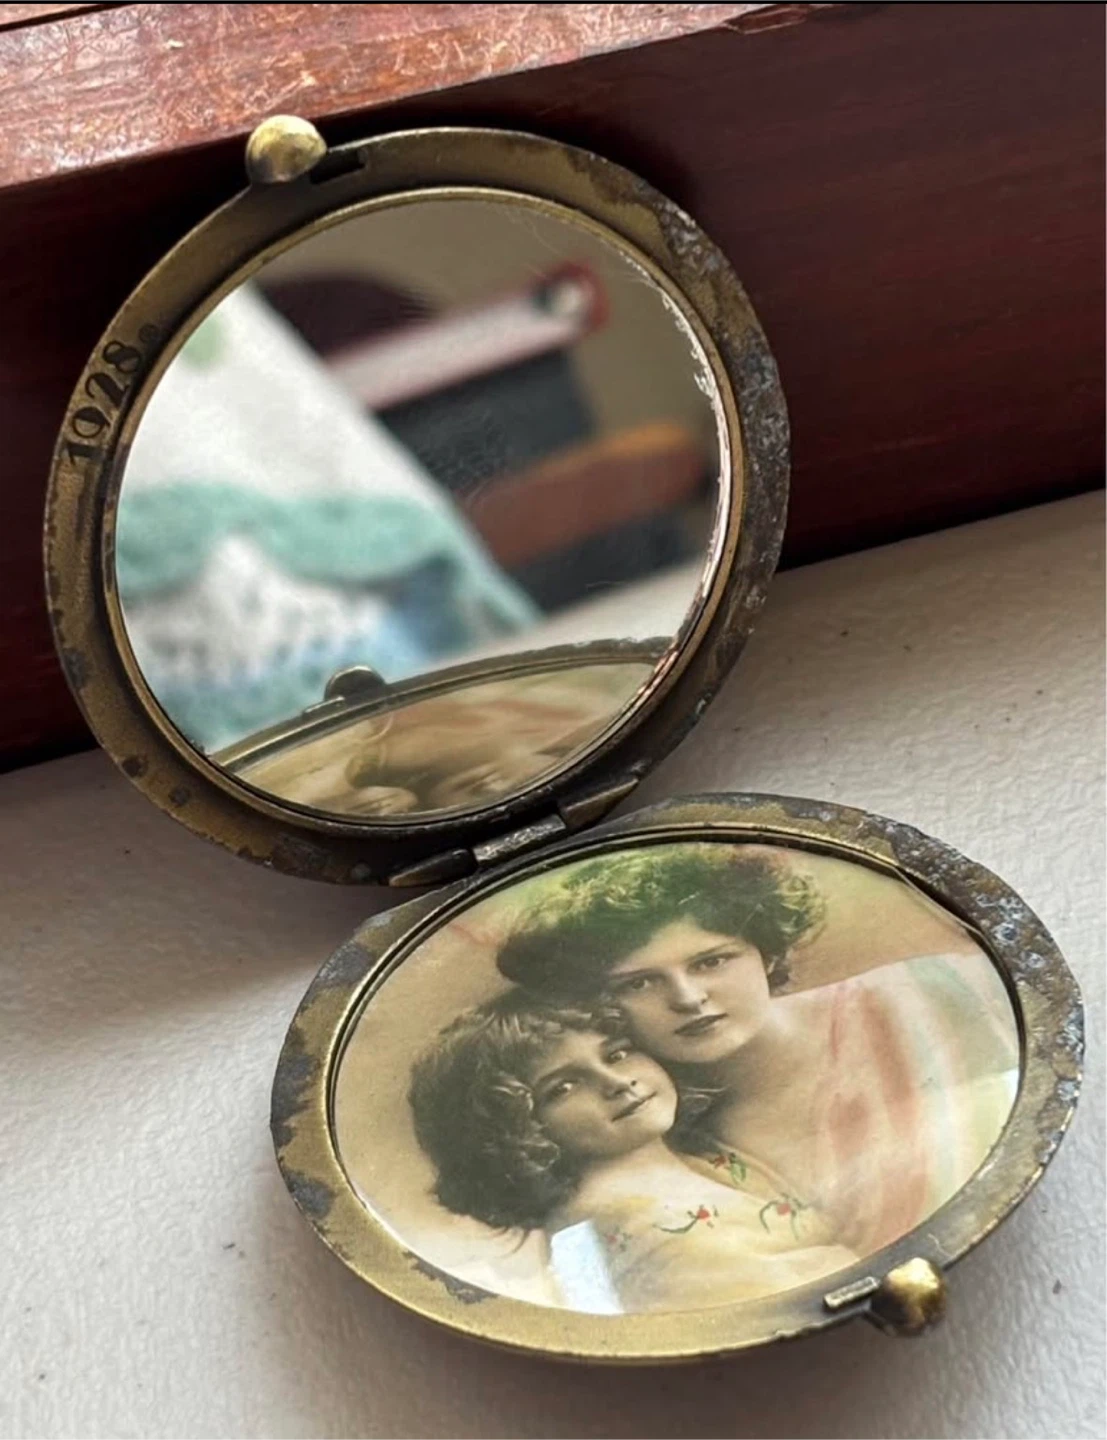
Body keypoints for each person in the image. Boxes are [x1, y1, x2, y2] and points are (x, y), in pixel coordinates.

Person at [495, 843, 1020, 1258]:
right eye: (639, 984)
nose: (688, 998)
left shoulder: (937, 995)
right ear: (599, 1002)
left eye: (711, 962)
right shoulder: (653, 1127)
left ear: (766, 953)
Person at [407, 992, 856, 1314]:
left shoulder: (691, 1155)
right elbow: (769, 1299)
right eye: (563, 1087)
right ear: (514, 1127)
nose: (618, 1083)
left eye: (617, 1054)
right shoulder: (620, 1217)